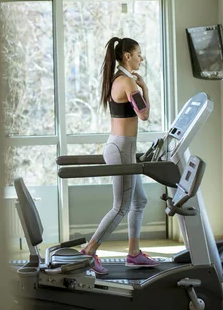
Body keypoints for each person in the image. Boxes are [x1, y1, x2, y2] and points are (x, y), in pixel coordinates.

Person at [80, 37, 160, 275]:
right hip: (122, 149)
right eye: (138, 54)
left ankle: (134, 254)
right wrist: (144, 88)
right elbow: (143, 115)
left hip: (121, 147)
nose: (141, 58)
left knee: (139, 201)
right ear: (127, 56)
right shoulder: (127, 82)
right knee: (121, 207)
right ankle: (89, 252)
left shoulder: (117, 79)